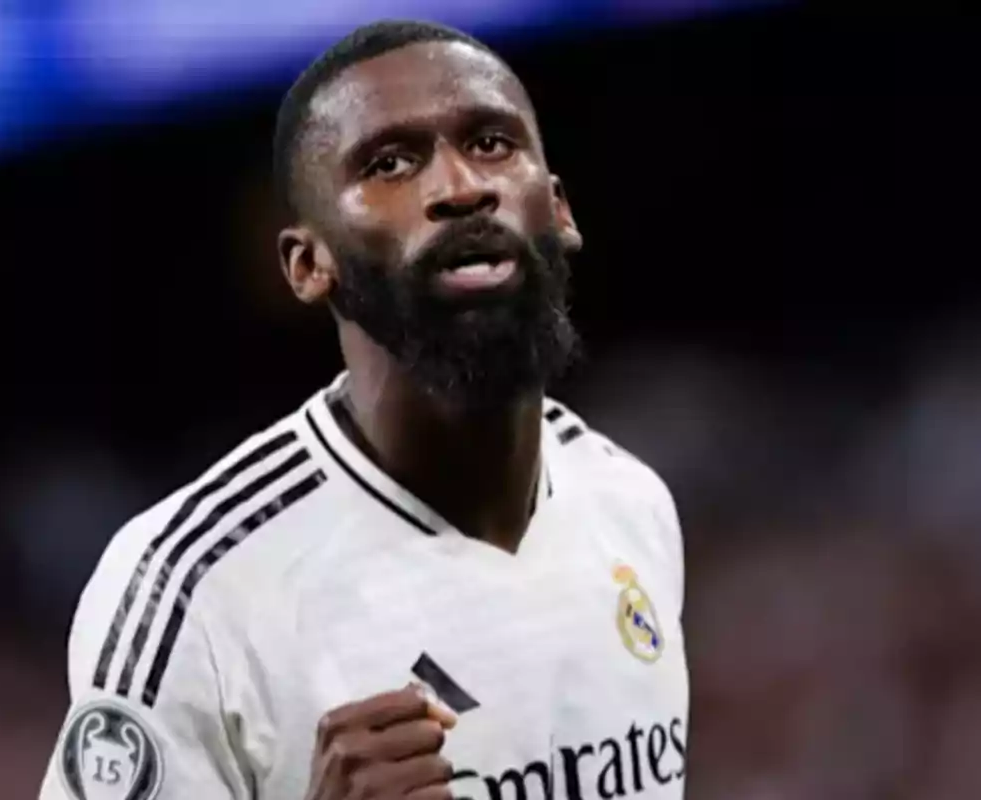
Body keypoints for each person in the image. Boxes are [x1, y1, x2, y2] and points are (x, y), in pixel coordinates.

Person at [38, 19, 688, 800]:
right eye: (390, 163)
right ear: (309, 264)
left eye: (491, 143)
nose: (459, 187)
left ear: (558, 209)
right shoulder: (193, 587)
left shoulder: (629, 502)